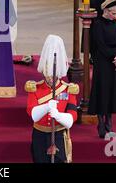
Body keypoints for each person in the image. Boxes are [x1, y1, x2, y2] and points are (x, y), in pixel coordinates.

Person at [25, 34, 78, 163]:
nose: (50, 78)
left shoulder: (67, 89)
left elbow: (72, 117)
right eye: (47, 74)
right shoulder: (34, 88)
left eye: (52, 75)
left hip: (59, 134)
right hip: (40, 135)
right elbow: (32, 114)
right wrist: (47, 107)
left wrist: (59, 116)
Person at [88, 0, 116, 138]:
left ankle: (109, 121)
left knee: (113, 91)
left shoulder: (115, 24)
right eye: (113, 13)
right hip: (103, 63)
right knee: (102, 91)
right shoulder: (97, 25)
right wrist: (113, 57)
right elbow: (100, 45)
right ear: (106, 11)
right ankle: (101, 122)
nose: (115, 16)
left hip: (115, 63)